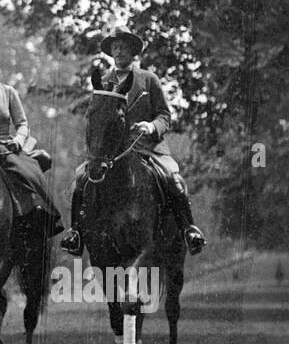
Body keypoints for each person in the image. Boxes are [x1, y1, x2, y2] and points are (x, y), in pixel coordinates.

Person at [61, 26, 206, 256]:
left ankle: (189, 229)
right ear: (111, 52)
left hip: (149, 148)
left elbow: (165, 116)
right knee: (81, 178)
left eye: (123, 47)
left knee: (172, 177)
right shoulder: (102, 82)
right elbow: (95, 118)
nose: (119, 52)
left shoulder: (149, 80)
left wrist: (151, 126)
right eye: (115, 48)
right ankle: (76, 233)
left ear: (132, 51)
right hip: (111, 152)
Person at [0, 47, 64, 239]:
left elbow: (23, 123)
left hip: (3, 146)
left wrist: (18, 140)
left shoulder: (8, 91)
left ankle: (40, 213)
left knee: (28, 170)